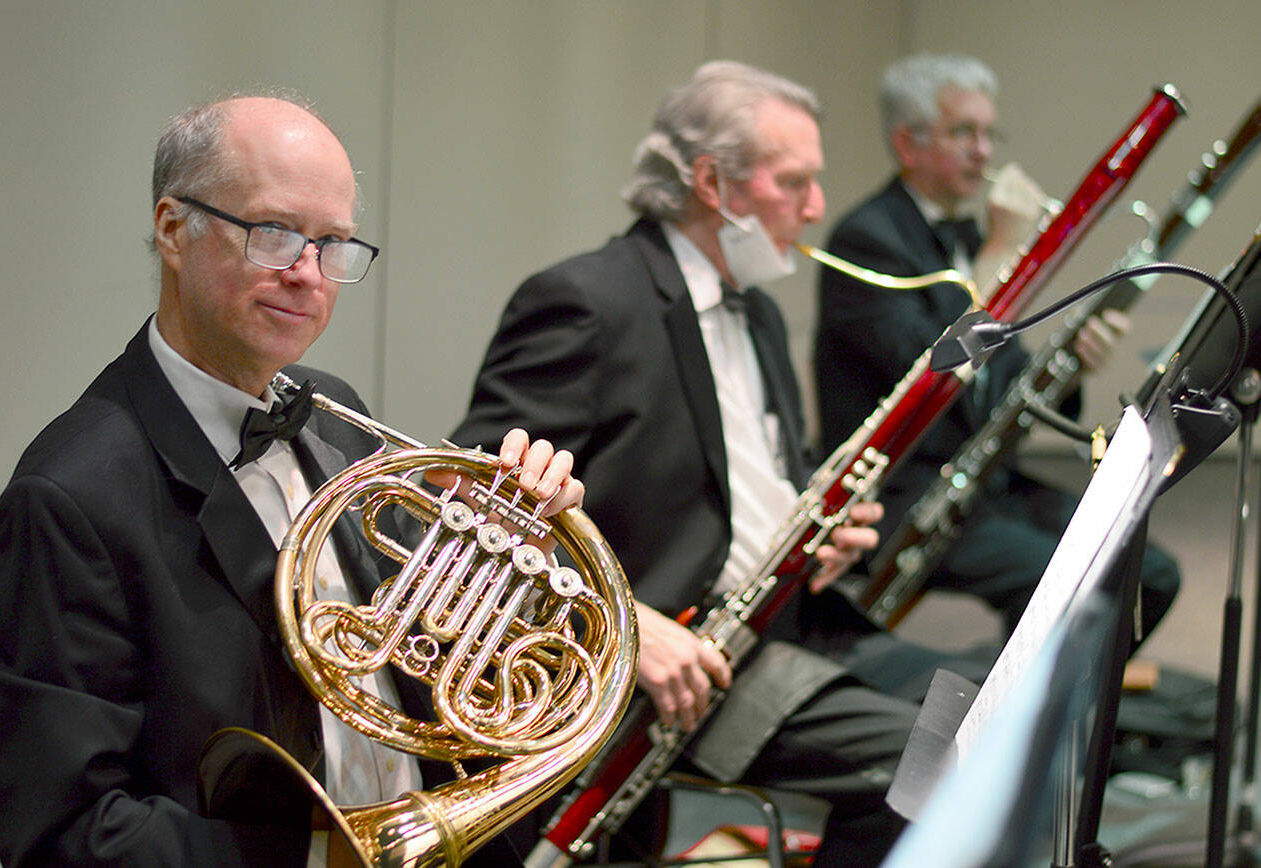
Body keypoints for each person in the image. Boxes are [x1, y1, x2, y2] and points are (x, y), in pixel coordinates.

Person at [0, 94, 584, 867]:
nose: (307, 274)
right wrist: (325, 859)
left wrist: (507, 567)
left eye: (333, 244)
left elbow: (423, 670)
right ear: (171, 228)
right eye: (274, 234)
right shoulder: (69, 500)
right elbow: (67, 834)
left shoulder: (334, 416)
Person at [453, 61, 990, 868]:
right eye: (794, 183)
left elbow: (761, 481)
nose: (815, 208)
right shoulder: (587, 301)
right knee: (941, 766)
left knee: (994, 717)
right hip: (682, 663)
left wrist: (826, 536)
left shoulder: (761, 313)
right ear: (712, 182)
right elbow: (478, 515)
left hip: (789, 624)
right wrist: (629, 629)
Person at [812, 52, 1180, 636]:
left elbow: (1003, 380)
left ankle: (1049, 719)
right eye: (964, 133)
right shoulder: (866, 239)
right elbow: (931, 370)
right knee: (1058, 587)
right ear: (908, 145)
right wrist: (999, 256)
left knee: (1149, 572)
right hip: (906, 495)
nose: (984, 152)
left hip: (985, 482)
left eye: (988, 134)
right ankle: (995, 723)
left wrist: (1074, 366)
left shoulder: (971, 237)